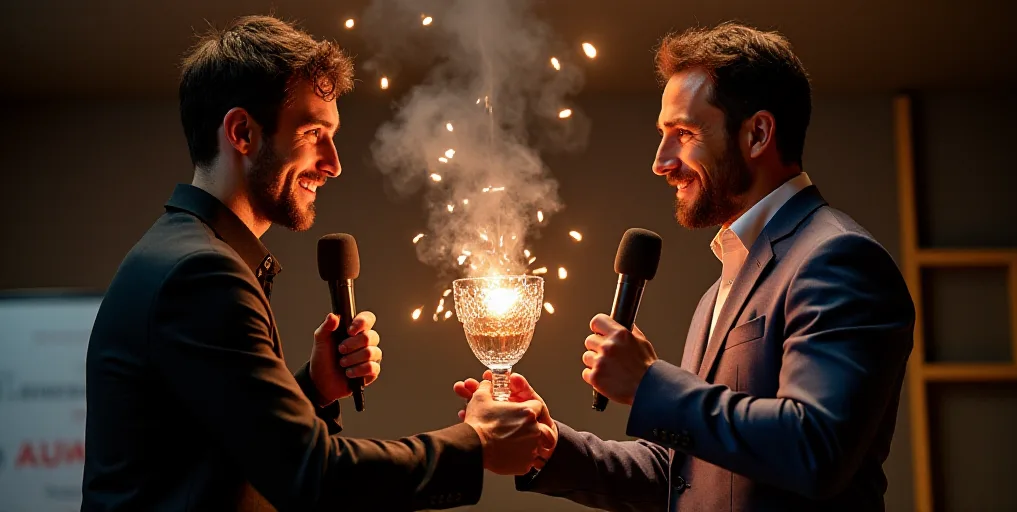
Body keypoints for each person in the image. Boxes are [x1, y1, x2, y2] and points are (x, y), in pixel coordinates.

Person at [82, 15, 553, 511]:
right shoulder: (200, 273)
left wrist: (314, 388)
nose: (333, 162)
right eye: (313, 132)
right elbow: (313, 475)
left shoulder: (185, 253)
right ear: (242, 132)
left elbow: (227, 450)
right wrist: (474, 443)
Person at [455, 22, 915, 511]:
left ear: (757, 133)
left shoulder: (836, 258)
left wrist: (651, 384)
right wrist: (549, 448)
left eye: (684, 134)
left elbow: (815, 449)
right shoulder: (721, 288)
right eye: (663, 135)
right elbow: (684, 476)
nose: (661, 161)